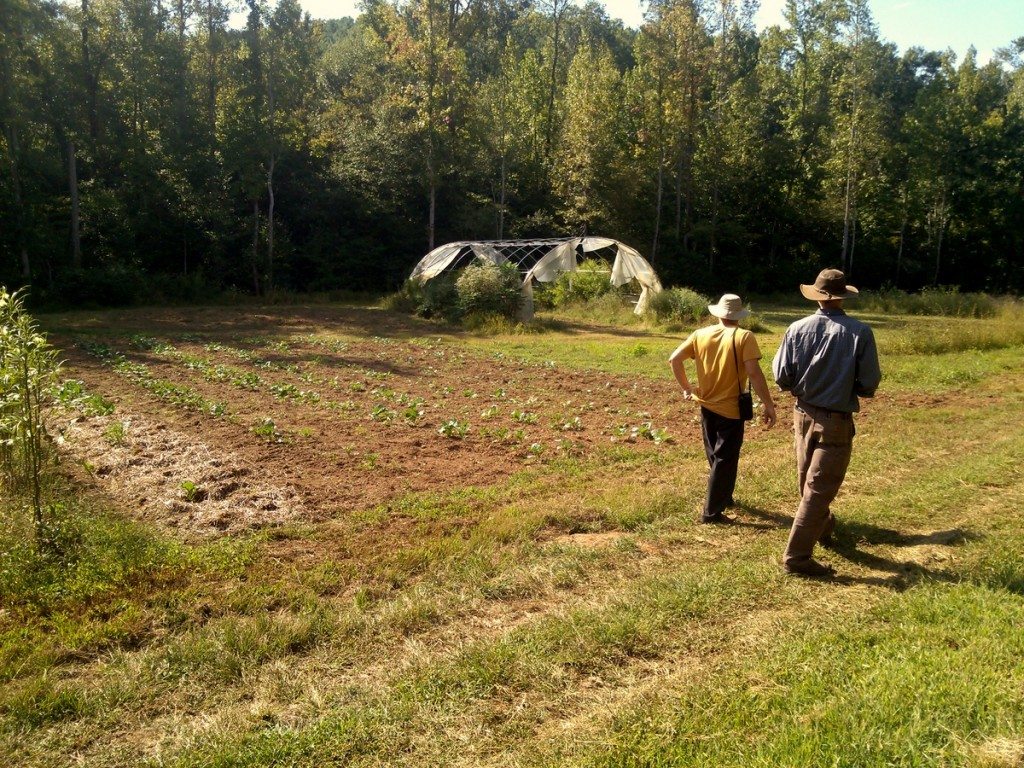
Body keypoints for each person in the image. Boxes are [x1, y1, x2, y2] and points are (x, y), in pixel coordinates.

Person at [772, 268, 881, 577]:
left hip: (802, 414)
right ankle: (797, 558)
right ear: (842, 296)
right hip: (835, 420)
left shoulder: (796, 329)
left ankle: (823, 526)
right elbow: (869, 381)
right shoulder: (860, 332)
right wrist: (851, 386)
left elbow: (781, 375)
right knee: (817, 489)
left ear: (818, 296)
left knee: (808, 482)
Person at [669, 294, 777, 524]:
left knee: (716, 455)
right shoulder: (744, 336)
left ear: (718, 313)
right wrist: (768, 404)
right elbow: (755, 373)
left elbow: (674, 360)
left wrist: (687, 388)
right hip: (731, 409)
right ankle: (711, 512)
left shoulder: (701, 334)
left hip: (705, 404)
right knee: (725, 458)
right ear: (739, 315)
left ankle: (724, 496)